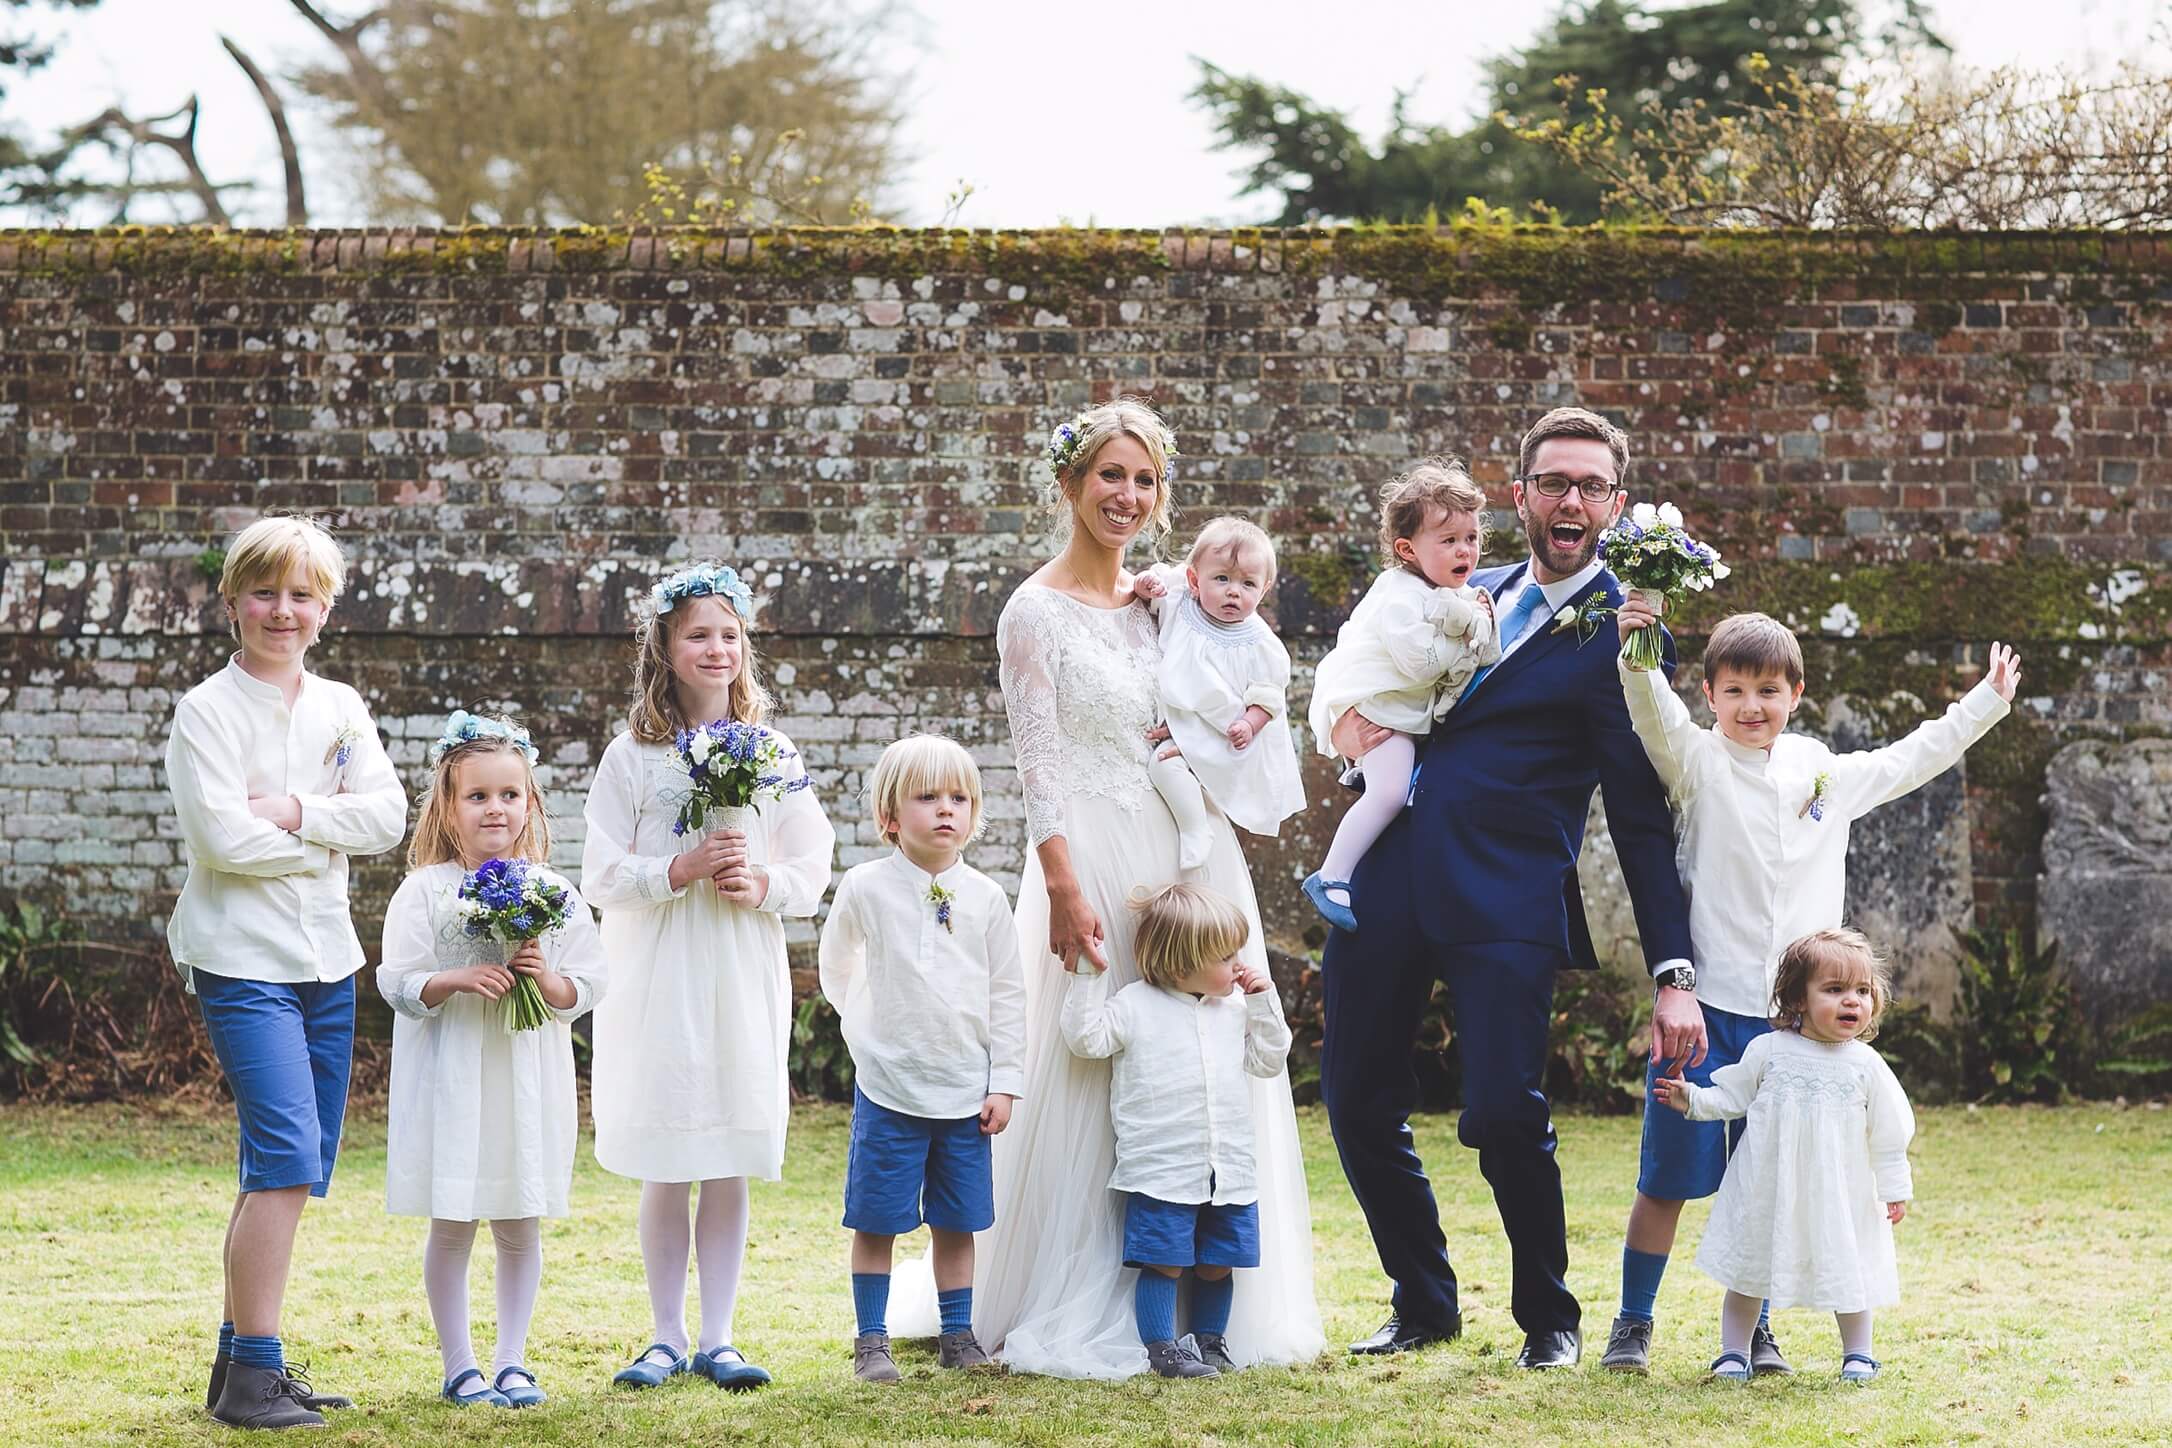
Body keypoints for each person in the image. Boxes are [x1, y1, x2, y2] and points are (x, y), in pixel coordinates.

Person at [1320, 407, 1694, 1371]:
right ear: (1520, 495)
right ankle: (1423, 1299)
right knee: (1355, 1099)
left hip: (1507, 899)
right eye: (1553, 482)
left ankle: (1550, 1317)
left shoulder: (1626, 632)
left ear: (1614, 506)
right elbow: (1367, 662)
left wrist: (1673, 966)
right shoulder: (1452, 583)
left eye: (1592, 486)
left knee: (1499, 1112)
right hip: (1388, 877)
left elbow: (1641, 814)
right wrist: (1349, 733)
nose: (1571, 499)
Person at [974, 396, 1324, 1378]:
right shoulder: (1033, 610)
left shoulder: (1170, 600)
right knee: (1096, 1054)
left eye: (1144, 479)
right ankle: (1080, 1283)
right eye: (1110, 475)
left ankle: (1210, 1298)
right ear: (1070, 482)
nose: (1126, 495)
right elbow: (1035, 758)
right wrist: (1061, 884)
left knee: (1202, 1046)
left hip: (1190, 852)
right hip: (1089, 847)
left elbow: (1239, 681)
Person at [1600, 606, 2019, 1375]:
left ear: (1797, 692)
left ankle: (1757, 1332)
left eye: (1768, 689)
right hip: (1707, 1009)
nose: (1752, 706)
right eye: (1734, 691)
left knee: (1777, 1181)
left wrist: (1985, 700)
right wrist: (1639, 639)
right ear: (1710, 694)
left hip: (1796, 1025)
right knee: (1668, 1175)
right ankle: (1633, 1322)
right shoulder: (1694, 761)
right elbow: (1648, 707)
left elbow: (1913, 757)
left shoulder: (1825, 773)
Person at [165, 515, 406, 1428]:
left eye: (301, 594)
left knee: (291, 1164)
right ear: (231, 602)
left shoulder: (342, 706)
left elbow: (385, 816)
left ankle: (238, 1370)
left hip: (328, 962)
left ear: (325, 608)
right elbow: (220, 842)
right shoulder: (206, 712)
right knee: (285, 1161)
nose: (282, 609)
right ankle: (258, 1374)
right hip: (242, 959)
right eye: (264, 591)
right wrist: (322, 835)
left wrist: (297, 812)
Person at [582, 561, 836, 1391]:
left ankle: (720, 1335)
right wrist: (678, 868)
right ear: (665, 644)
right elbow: (599, 873)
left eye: (729, 634)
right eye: (698, 634)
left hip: (735, 960)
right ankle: (663, 1332)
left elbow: (812, 855)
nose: (716, 648)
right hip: (658, 967)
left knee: (725, 1146)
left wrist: (765, 884)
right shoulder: (632, 756)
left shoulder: (771, 749)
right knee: (669, 1149)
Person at [378, 711, 607, 1408]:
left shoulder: (554, 893)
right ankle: (459, 1364)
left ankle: (513, 1360)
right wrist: (452, 979)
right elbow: (396, 979)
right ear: (448, 808)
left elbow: (588, 985)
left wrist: (545, 978)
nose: (494, 809)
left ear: (530, 803)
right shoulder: (425, 890)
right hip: (454, 1076)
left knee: (518, 1220)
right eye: (477, 796)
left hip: (523, 1077)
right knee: (454, 1220)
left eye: (509, 795)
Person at [819, 733, 1025, 1384]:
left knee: (956, 1221)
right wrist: (867, 1033)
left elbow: (1009, 994)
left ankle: (958, 1333)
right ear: (889, 816)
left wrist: (1007, 1082)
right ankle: (870, 1339)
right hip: (889, 1088)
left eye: (959, 798)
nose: (946, 810)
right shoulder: (865, 888)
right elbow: (837, 965)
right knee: (877, 1217)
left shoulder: (988, 899)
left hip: (967, 1090)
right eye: (927, 796)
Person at [1651, 928, 1915, 1384]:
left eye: (1862, 991)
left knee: (1847, 1265)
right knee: (1750, 1270)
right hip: (1771, 1185)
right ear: (1797, 998)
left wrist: (1894, 1188)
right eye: (1834, 990)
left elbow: (1890, 1132)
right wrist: (1691, 1098)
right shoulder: (1769, 1051)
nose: (1852, 1001)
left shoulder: (1865, 1065)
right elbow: (1732, 1095)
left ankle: (1858, 1354)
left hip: (1839, 1189)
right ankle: (1734, 1352)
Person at [1060, 884, 1294, 1379]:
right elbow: (1085, 1040)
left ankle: (1211, 1341)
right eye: (1225, 956)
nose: (1238, 964)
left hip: (1227, 1168)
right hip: (1161, 1168)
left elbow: (1269, 1062)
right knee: (1163, 1263)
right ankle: (1162, 1349)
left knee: (1218, 1263)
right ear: (1181, 963)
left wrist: (1263, 1003)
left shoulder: (1233, 1012)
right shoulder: (1135, 1005)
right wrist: (1086, 974)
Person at [1302, 460, 1500, 931]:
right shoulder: (1399, 594)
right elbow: (1421, 663)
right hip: (1378, 707)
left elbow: (1485, 655)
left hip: (1402, 710)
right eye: (1448, 540)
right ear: (1408, 549)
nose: (1464, 551)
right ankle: (1331, 876)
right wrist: (1464, 629)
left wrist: (1480, 622)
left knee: (1402, 790)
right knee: (1389, 793)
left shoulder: (1460, 595)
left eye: (1470, 539)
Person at [1130, 516, 1307, 869]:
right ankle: (1190, 822)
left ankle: (1195, 830)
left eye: (1247, 584)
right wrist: (1145, 584)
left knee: (1164, 766)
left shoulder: (1261, 646)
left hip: (1221, 730)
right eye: (1222, 579)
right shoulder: (1181, 601)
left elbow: (1267, 696)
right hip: (1181, 718)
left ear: (1265, 588)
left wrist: (1250, 723)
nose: (1233, 591)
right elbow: (1149, 592)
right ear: (1195, 579)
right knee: (1164, 767)